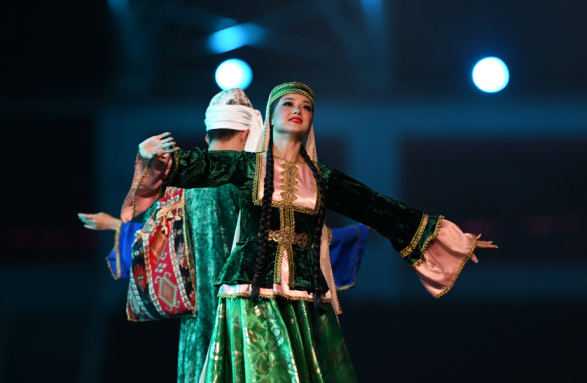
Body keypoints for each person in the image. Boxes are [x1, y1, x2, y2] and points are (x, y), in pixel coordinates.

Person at [121, 82, 496, 382]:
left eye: (306, 106)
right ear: (270, 116)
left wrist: (450, 240)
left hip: (305, 298)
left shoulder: (323, 178)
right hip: (251, 295)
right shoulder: (248, 167)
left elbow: (380, 208)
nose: (297, 110)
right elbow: (200, 166)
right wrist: (155, 159)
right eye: (287, 104)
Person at [83, 88, 370, 382]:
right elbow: (296, 240)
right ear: (247, 133)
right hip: (247, 313)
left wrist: (115, 226)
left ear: (207, 136)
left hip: (198, 323)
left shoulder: (178, 189)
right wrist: (355, 235)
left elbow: (154, 242)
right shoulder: (254, 181)